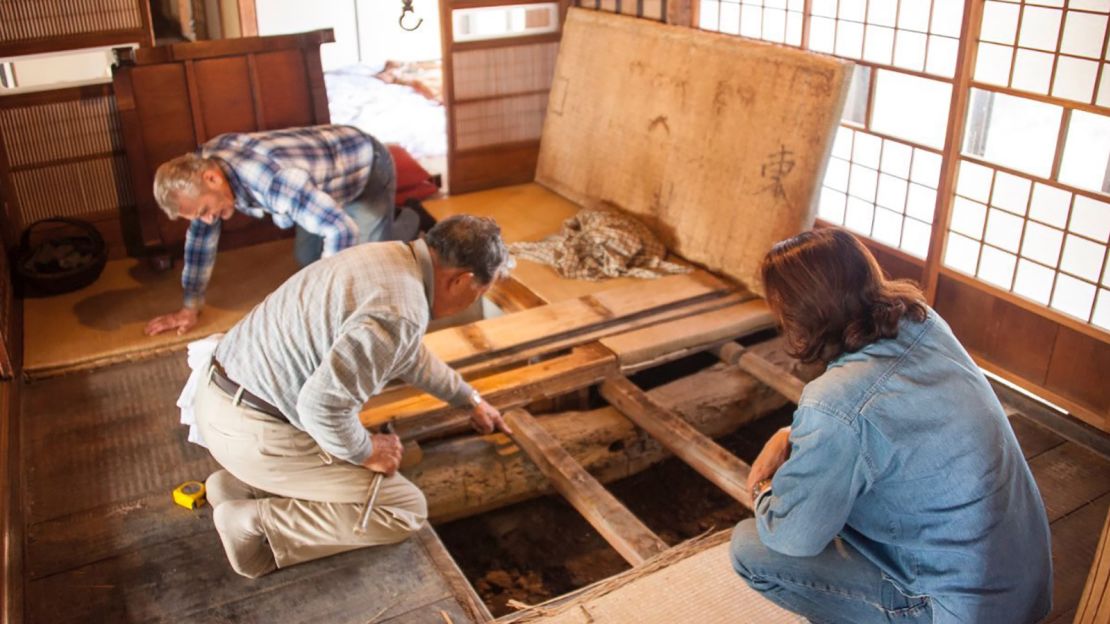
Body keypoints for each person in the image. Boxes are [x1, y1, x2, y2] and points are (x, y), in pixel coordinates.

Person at [730, 228, 1052, 623]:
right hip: (1024, 588)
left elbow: (794, 537)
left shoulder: (834, 400)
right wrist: (791, 435)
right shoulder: (924, 323)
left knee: (751, 547)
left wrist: (764, 488)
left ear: (800, 315)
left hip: (955, 610)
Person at [192, 214, 512, 578]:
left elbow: (410, 356)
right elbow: (321, 409)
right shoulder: (401, 310)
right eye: (479, 293)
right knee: (403, 509)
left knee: (348, 447)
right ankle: (254, 521)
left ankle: (238, 485)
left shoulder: (390, 258)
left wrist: (469, 399)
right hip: (255, 434)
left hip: (218, 404)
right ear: (462, 280)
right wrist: (367, 451)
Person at [145, 124, 421, 337]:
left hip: (364, 166)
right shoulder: (201, 168)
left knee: (370, 268)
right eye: (198, 215)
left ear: (213, 178)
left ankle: (409, 221)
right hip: (321, 183)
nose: (206, 220)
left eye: (205, 211)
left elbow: (339, 230)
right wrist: (190, 307)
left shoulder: (273, 181)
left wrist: (321, 310)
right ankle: (384, 224)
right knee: (308, 259)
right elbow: (200, 239)